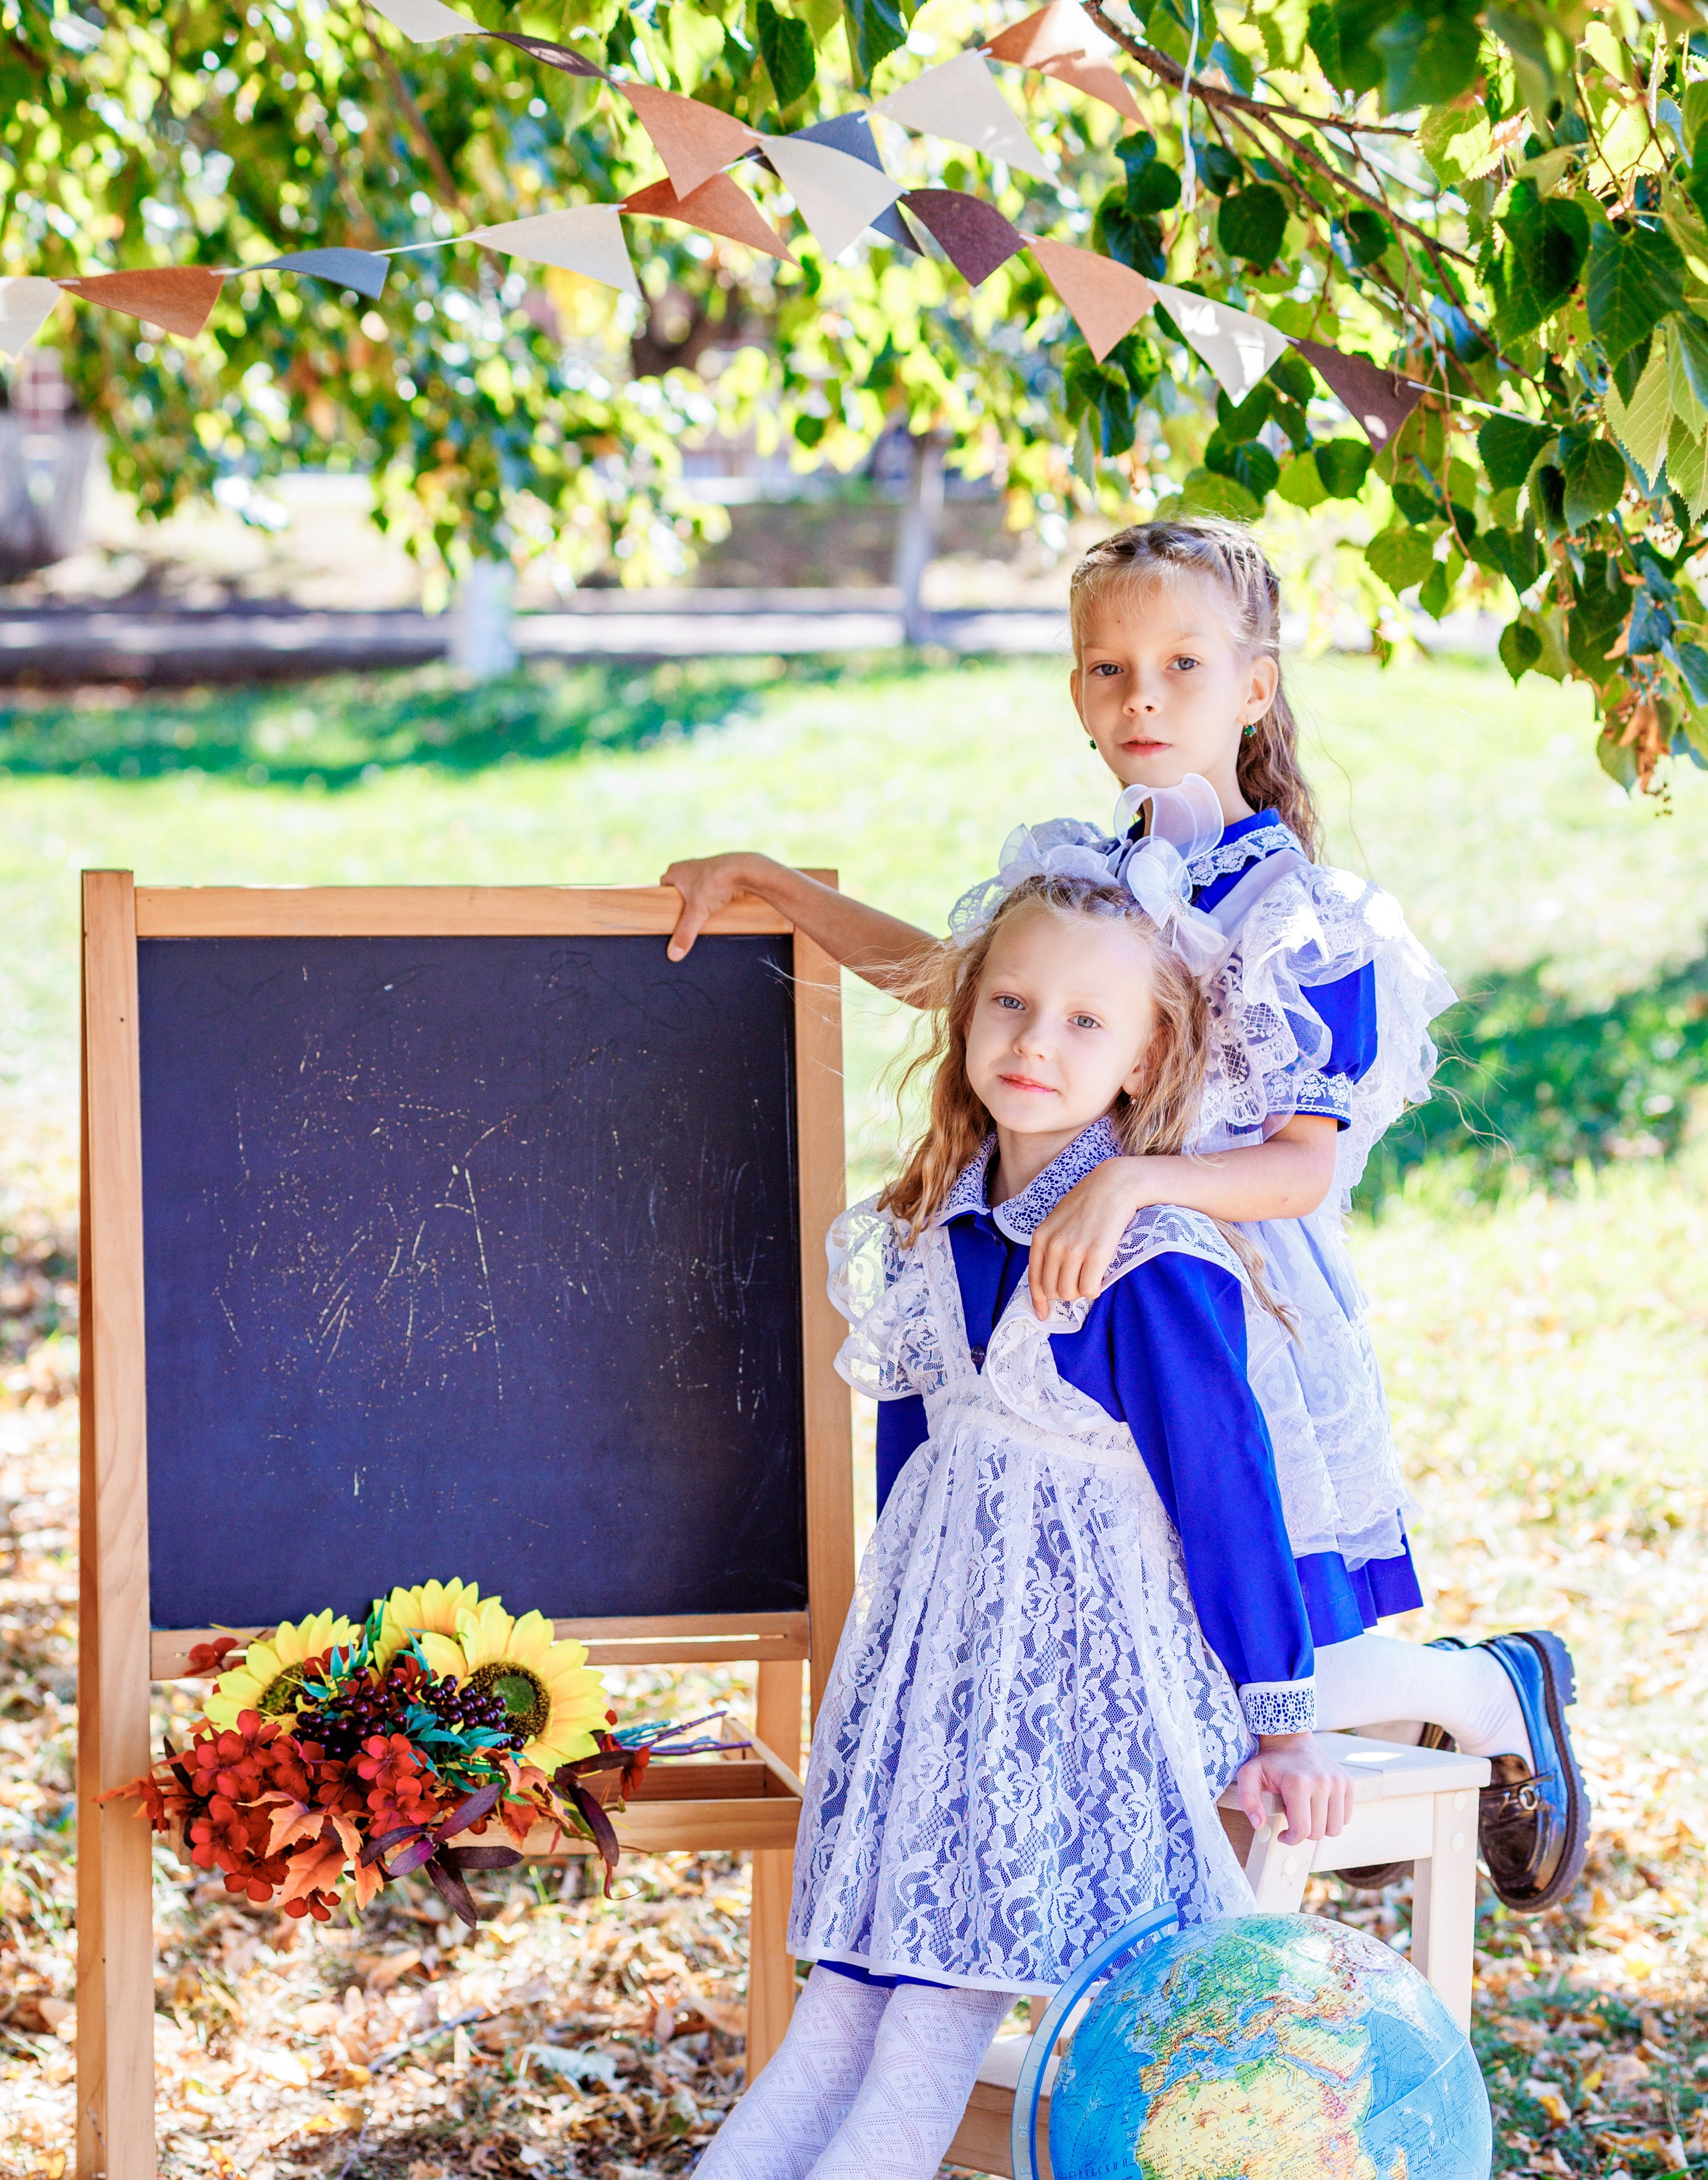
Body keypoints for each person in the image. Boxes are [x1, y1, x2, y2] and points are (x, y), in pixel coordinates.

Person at [468, 869, 1354, 2180]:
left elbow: (1229, 1501)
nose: (1035, 1039)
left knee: (915, 2048)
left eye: (1085, 1019)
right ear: (962, 1018)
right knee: (831, 2038)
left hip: (1077, 1714)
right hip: (941, 1694)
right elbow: (917, 1470)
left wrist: (1278, 1717)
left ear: (1144, 1055)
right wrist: (889, 1695)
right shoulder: (932, 1226)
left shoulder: (1153, 1258)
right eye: (1009, 1003)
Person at [657, 516, 1587, 1920]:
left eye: (1178, 665)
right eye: (1104, 667)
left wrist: (1138, 1178)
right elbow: (958, 979)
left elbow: (1298, 1171)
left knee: (1254, 1626)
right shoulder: (1088, 866)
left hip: (1218, 1298)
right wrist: (775, 890)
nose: (1138, 697)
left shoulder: (1301, 918)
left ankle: (1482, 1687)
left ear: (1253, 687)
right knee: (1149, 1616)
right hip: (1083, 1293)